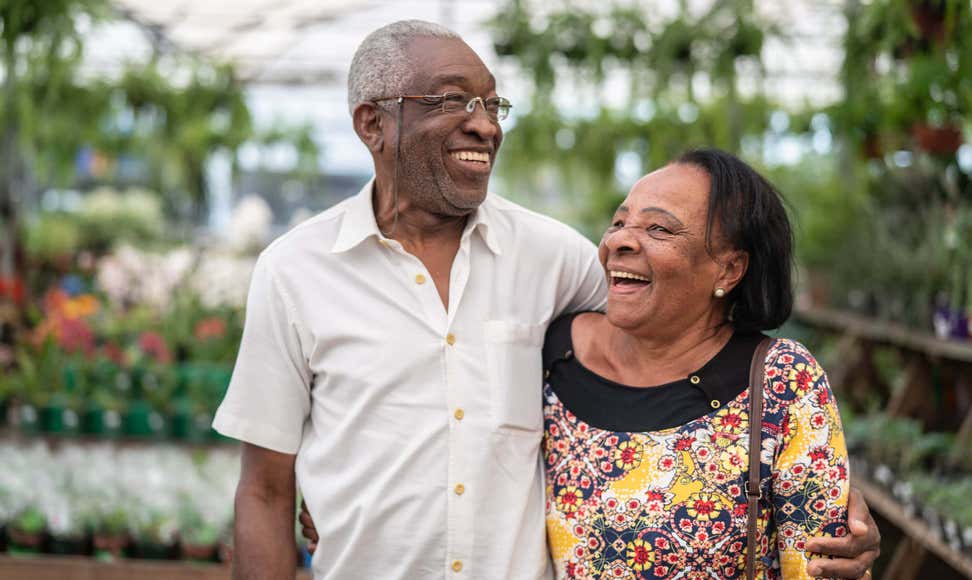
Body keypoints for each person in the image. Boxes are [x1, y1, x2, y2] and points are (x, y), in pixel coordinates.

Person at [217, 20, 879, 579]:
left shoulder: (553, 256)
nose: (484, 126)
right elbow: (266, 489)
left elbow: (684, 326)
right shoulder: (296, 272)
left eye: (492, 105)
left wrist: (808, 472)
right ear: (373, 124)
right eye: (454, 101)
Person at [541, 149, 852, 578]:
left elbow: (824, 566)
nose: (618, 241)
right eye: (618, 222)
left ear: (728, 270)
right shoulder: (553, 357)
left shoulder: (782, 381)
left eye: (658, 228)